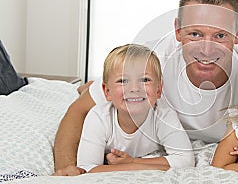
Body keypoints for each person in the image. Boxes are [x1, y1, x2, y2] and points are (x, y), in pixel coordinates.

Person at [53, 0, 238, 179]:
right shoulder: (150, 62)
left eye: (220, 36)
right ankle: (88, 85)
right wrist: (68, 170)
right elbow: (78, 111)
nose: (207, 51)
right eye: (195, 34)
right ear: (177, 30)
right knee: (92, 93)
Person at [75, 43, 194, 174]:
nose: (134, 89)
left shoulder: (164, 115)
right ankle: (85, 89)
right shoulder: (98, 117)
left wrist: (132, 162)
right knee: (84, 93)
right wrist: (145, 166)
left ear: (159, 90)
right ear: (107, 92)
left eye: (144, 79)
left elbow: (185, 160)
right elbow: (87, 168)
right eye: (123, 81)